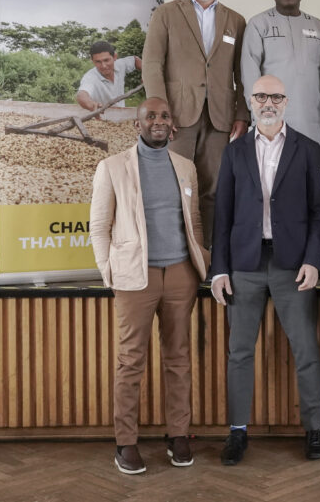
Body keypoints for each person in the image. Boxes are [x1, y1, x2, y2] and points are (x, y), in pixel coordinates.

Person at [210, 75, 320, 465]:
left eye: (276, 95)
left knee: (306, 349)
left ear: (286, 101)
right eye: (261, 96)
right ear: (251, 100)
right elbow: (222, 214)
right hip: (244, 264)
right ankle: (237, 432)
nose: (268, 102)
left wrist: (314, 259)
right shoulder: (235, 151)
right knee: (239, 352)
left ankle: (314, 429)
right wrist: (219, 269)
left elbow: (318, 212)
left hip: (292, 264)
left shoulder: (308, 149)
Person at [89, 97, 209, 474]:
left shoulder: (185, 167)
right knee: (130, 361)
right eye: (150, 116)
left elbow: (194, 220)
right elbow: (99, 226)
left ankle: (178, 435)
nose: (158, 121)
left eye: (164, 116)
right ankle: (126, 442)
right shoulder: (112, 167)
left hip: (179, 275)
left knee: (178, 358)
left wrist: (198, 262)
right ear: (137, 124)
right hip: (132, 280)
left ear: (172, 124)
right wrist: (109, 272)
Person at [142, 0, 249, 246]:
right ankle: (173, 252)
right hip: (177, 115)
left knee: (213, 188)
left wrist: (242, 114)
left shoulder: (235, 21)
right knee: (175, 185)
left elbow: (242, 73)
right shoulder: (165, 14)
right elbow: (152, 65)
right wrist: (160, 113)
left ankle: (208, 255)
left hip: (220, 117)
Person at [242, 0, 320, 145]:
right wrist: (257, 113)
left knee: (309, 170)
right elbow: (249, 73)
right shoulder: (259, 24)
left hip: (311, 118)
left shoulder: (319, 27)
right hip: (270, 118)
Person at [76, 41, 141, 111]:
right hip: (102, 119)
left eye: (106, 60)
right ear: (92, 61)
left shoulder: (120, 64)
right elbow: (81, 95)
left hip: (122, 114)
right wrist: (91, 105)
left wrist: (146, 74)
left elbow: (135, 60)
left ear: (115, 57)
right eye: (98, 62)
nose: (103, 66)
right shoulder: (90, 77)